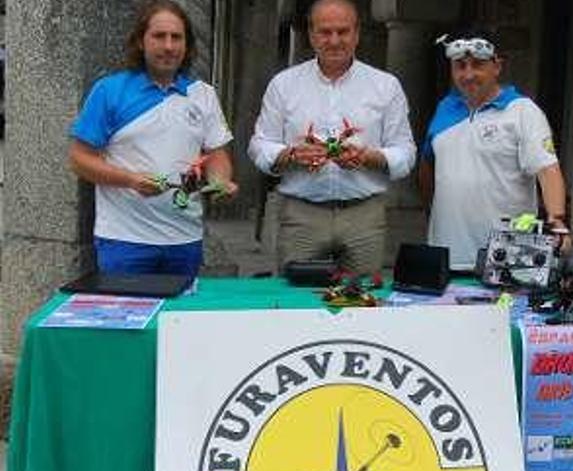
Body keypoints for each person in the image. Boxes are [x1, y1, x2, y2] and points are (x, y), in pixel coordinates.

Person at [68, 0, 237, 279]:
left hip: (185, 240)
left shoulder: (203, 94)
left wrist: (220, 181)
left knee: (177, 323)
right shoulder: (109, 90)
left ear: (187, 45)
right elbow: (79, 159)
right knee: (127, 322)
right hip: (124, 241)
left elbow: (217, 153)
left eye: (176, 37)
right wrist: (131, 180)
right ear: (140, 42)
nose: (169, 46)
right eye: (159, 36)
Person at [248, 0, 416, 274]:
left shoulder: (386, 86)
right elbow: (259, 145)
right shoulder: (284, 84)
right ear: (312, 34)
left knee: (361, 303)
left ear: (357, 33)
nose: (334, 40)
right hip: (302, 215)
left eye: (343, 31)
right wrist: (291, 154)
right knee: (296, 303)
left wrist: (371, 157)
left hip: (363, 215)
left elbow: (406, 152)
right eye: (325, 32)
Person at [418, 30, 571, 270]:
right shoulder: (444, 108)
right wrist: (430, 211)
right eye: (460, 66)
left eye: (477, 65)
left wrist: (557, 220)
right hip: (446, 256)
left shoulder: (523, 111)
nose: (468, 75)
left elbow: (547, 169)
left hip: (506, 260)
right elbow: (427, 165)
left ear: (497, 66)